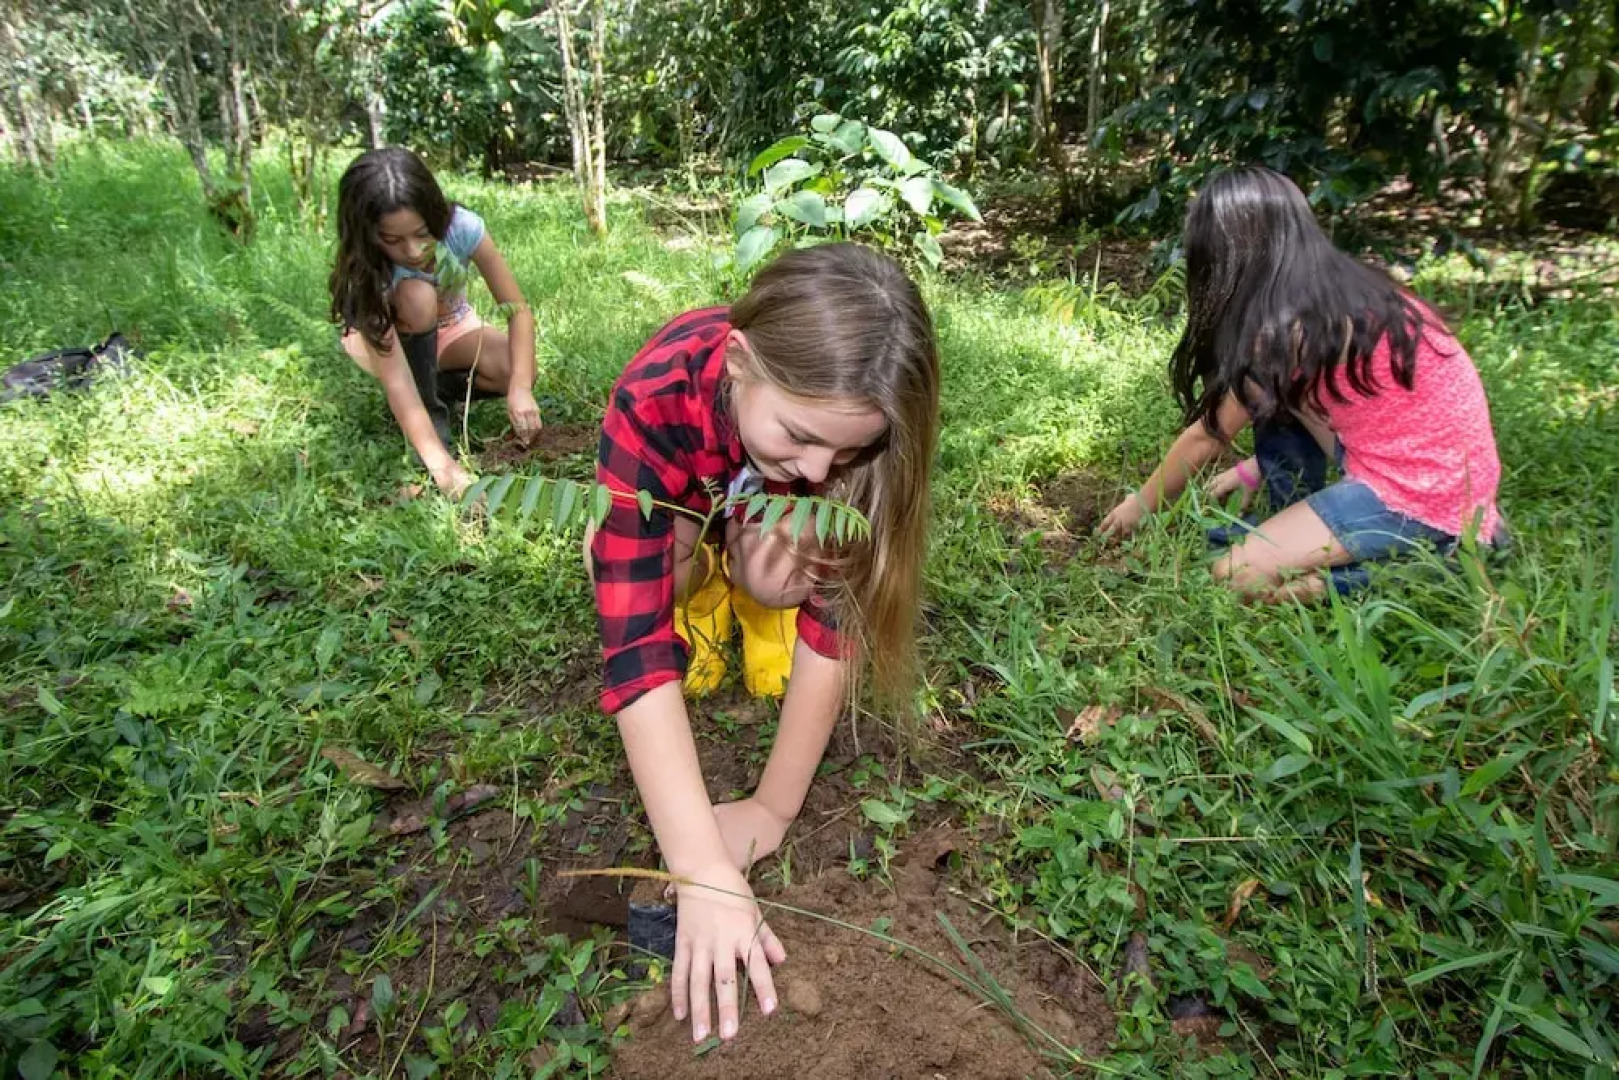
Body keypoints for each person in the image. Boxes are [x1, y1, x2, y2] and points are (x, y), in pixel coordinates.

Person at [585, 243, 939, 1044]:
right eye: (802, 435)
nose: (820, 470)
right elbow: (634, 647)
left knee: (786, 577)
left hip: (748, 500)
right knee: (643, 568)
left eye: (846, 452)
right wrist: (702, 868)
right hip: (679, 497)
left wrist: (773, 807)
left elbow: (836, 616)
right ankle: (702, 579)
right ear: (740, 361)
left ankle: (747, 582)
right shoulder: (655, 396)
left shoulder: (848, 437)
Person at [1099, 166, 1505, 600]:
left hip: (1421, 496)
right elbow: (1325, 400)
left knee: (1237, 573)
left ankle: (1431, 568)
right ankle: (1310, 518)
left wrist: (1138, 507)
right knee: (1267, 389)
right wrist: (1254, 466)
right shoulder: (1339, 292)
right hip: (1454, 479)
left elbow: (1208, 435)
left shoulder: (1281, 331)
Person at [328, 148, 540, 498]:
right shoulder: (367, 272)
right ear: (368, 234)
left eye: (423, 234)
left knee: (516, 365)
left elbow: (518, 310)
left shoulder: (462, 228)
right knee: (417, 296)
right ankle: (430, 429)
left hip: (452, 329)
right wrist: (443, 468)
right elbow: (396, 378)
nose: (412, 251)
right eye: (392, 240)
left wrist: (520, 388)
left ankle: (433, 387)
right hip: (384, 343)